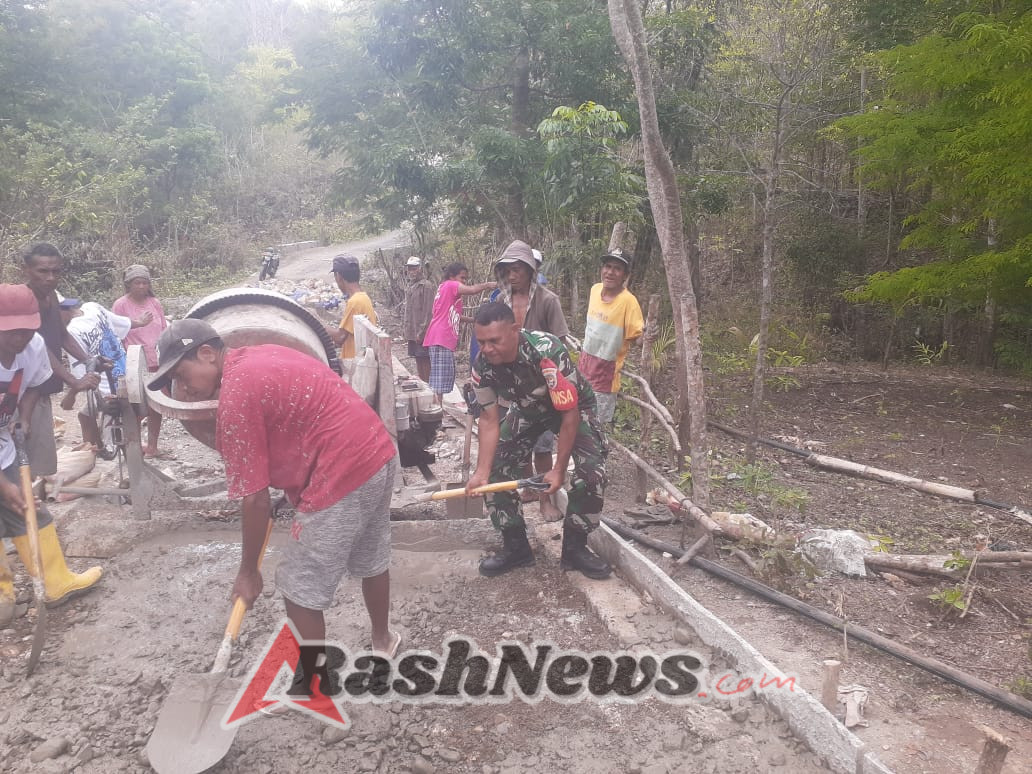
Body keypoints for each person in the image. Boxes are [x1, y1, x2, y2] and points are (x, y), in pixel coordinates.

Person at [146, 319, 402, 699]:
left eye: (182, 376)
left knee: (298, 588)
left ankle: (314, 690)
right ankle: (384, 640)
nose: (182, 389)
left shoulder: (235, 397)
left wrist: (248, 572)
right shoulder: (261, 354)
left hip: (342, 471)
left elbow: (254, 498)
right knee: (371, 555)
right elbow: (297, 418)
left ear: (207, 353)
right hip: (376, 451)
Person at [467, 302, 611, 580]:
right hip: (528, 410)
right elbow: (488, 420)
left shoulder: (547, 351)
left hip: (573, 409)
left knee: (592, 473)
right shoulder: (482, 366)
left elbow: (568, 415)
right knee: (496, 469)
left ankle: (575, 548)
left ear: (514, 330)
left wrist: (558, 469)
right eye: (481, 342)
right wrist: (481, 472)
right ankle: (516, 547)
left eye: (494, 341)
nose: (487, 349)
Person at [0, 285, 103, 626]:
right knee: (11, 498)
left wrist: (24, 418)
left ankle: (56, 584)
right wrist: (5, 485)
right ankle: (4, 593)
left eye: (27, 326)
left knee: (29, 508)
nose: (20, 335)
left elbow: (33, 384)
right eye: (11, 328)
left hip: (4, 444)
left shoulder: (34, 345)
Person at [494, 240, 571, 521]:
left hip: (542, 386)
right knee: (520, 442)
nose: (512, 275)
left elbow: (560, 343)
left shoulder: (547, 301)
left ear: (529, 271)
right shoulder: (501, 301)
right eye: (508, 270)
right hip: (511, 384)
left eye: (517, 269)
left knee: (542, 447)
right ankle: (528, 489)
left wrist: (556, 385)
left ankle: (545, 501)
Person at [21, 243, 100, 478]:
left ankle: (28, 500)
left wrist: (89, 359)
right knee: (24, 453)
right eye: (43, 271)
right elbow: (39, 348)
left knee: (38, 456)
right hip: (24, 389)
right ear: (26, 270)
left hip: (40, 388)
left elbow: (62, 334)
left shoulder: (52, 297)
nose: (50, 277)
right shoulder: (25, 301)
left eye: (56, 271)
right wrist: (73, 381)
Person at [60, 299, 136, 453]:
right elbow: (120, 323)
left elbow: (85, 380)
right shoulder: (93, 307)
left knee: (111, 429)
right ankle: (93, 448)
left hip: (105, 385)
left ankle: (104, 449)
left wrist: (101, 401)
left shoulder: (72, 331)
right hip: (123, 369)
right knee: (84, 414)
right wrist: (140, 322)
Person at [578, 249, 644, 423]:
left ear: (625, 275)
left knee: (595, 429)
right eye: (607, 266)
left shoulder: (629, 302)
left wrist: (647, 336)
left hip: (604, 377)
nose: (610, 272)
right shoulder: (595, 290)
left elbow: (638, 338)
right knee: (575, 421)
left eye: (617, 269)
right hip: (583, 370)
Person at [112, 264, 167, 457]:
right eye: (137, 283)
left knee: (157, 406)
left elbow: (163, 329)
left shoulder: (155, 303)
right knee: (134, 406)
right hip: (134, 362)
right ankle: (133, 448)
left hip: (156, 361)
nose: (142, 286)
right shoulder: (121, 305)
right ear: (129, 285)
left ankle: (152, 446)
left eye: (145, 283)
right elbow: (116, 332)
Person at [422, 262, 496, 405]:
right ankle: (437, 411)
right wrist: (487, 285)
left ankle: (438, 409)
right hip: (440, 337)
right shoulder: (450, 285)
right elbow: (472, 290)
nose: (464, 282)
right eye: (462, 278)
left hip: (440, 338)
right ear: (452, 276)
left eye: (465, 279)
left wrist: (474, 320)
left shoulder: (445, 290)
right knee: (439, 380)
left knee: (441, 379)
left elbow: (456, 316)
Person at [327, 254, 376, 361]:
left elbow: (340, 337)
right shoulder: (363, 297)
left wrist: (315, 319)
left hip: (354, 364)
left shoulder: (355, 302)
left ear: (339, 276)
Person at [402, 256, 435, 383]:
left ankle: (429, 387)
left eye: (414, 268)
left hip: (423, 333)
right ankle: (423, 384)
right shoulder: (411, 286)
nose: (412, 271)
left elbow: (429, 311)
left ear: (420, 269)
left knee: (425, 360)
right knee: (418, 358)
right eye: (410, 268)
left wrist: (422, 332)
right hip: (412, 331)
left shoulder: (426, 286)